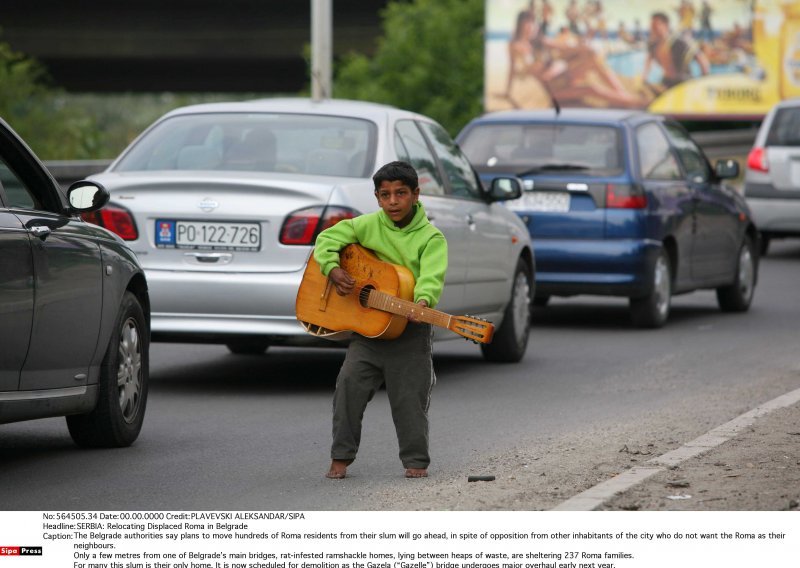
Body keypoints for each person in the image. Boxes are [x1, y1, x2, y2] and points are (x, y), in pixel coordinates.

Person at [313, 161, 448, 480]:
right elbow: (326, 240)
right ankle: (340, 457)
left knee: (409, 400)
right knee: (348, 388)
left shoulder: (431, 237)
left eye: (401, 193)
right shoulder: (366, 225)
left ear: (416, 194)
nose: (393, 201)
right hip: (368, 331)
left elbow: (432, 275)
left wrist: (423, 300)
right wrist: (332, 268)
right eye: (385, 195)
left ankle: (416, 461)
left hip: (409, 333)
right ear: (376, 197)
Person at [641, 11, 709, 90]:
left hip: (684, 81)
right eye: (651, 26)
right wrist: (644, 78)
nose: (653, 28)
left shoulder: (679, 42)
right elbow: (648, 61)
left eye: (655, 25)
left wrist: (704, 81)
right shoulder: (653, 44)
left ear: (666, 25)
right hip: (667, 81)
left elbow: (701, 59)